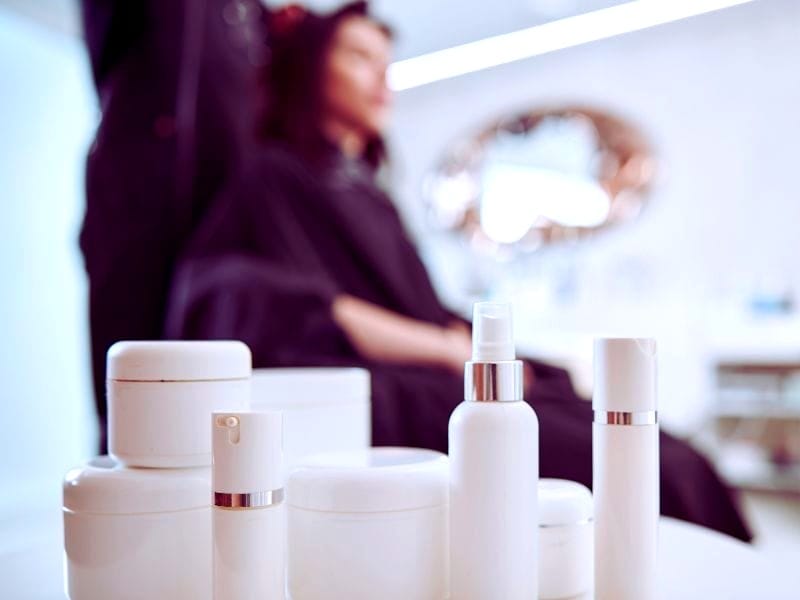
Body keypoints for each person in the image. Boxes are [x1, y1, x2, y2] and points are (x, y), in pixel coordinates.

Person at [166, 1, 752, 541]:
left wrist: (480, 351)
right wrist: (450, 351)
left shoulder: (370, 195)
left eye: (387, 62)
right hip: (393, 388)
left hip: (444, 370)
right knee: (657, 472)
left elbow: (417, 301)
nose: (381, 78)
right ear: (309, 69)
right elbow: (288, 303)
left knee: (650, 445)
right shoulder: (274, 179)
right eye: (359, 57)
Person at [79, 0, 270, 451]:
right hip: (141, 206)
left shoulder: (252, 21)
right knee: (134, 405)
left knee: (215, 401)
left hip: (225, 228)